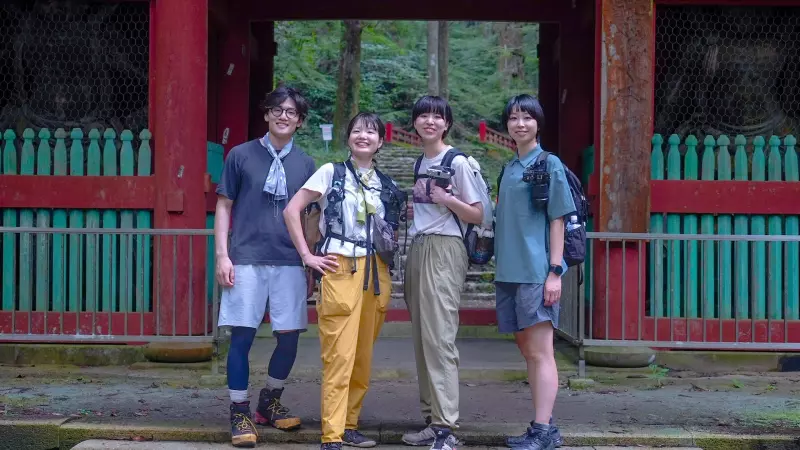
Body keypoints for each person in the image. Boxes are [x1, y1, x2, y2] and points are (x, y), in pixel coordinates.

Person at [284, 112, 407, 450]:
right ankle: (332, 436)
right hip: (339, 266)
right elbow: (292, 209)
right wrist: (307, 257)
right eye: (356, 130)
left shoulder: (386, 184)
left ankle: (350, 424)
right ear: (348, 138)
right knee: (339, 355)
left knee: (362, 356)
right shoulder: (330, 173)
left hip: (376, 271)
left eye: (371, 132)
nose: (363, 136)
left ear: (381, 141)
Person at [214, 85, 316, 448]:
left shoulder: (306, 163)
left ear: (300, 121)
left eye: (291, 112)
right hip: (246, 258)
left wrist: (310, 261)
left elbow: (309, 216)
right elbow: (224, 205)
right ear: (266, 114)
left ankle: (269, 401)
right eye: (277, 109)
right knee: (241, 336)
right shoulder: (240, 155)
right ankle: (238, 410)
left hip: (289, 259)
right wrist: (222, 255)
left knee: (289, 337)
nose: (283, 116)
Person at [401, 96, 485, 450]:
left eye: (438, 116)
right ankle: (431, 420)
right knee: (423, 338)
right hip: (419, 247)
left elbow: (479, 214)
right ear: (415, 123)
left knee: (439, 338)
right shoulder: (423, 159)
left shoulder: (459, 161)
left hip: (445, 249)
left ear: (447, 124)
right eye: (424, 115)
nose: (430, 121)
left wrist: (446, 200)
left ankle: (446, 429)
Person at [494, 94, 575, 450]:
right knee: (528, 351)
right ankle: (545, 426)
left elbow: (558, 218)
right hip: (509, 273)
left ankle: (542, 431)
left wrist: (555, 271)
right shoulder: (509, 167)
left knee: (541, 351)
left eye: (527, 117)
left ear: (538, 123)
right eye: (513, 118)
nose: (520, 124)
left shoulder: (549, 163)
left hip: (536, 271)